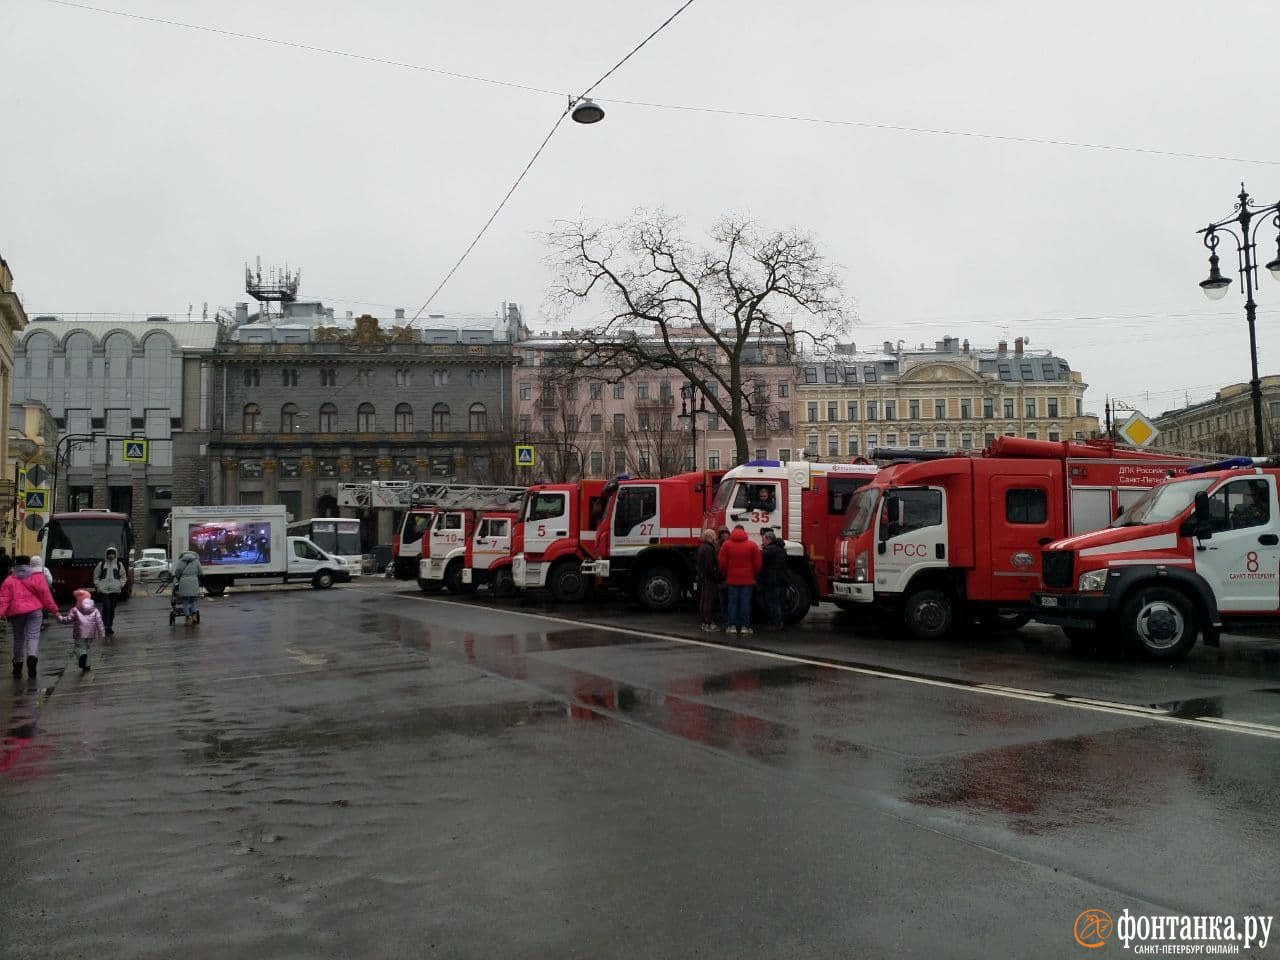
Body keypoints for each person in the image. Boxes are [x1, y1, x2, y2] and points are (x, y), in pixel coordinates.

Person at [0, 554, 60, 678]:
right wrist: (55, 611)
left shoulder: (9, 580)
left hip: (16, 612)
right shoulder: (37, 577)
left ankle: (18, 664)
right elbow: (46, 596)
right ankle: (32, 658)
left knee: (18, 638)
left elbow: (4, 599)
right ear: (28, 564)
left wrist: (1, 613)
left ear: (16, 565)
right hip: (34, 610)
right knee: (33, 636)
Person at [718, 524, 762, 637]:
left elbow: (722, 562)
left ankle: (731, 626)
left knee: (732, 603)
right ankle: (745, 627)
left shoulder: (726, 545)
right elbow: (758, 564)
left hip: (732, 579)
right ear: (744, 532)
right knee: (745, 603)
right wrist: (753, 574)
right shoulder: (752, 545)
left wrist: (727, 572)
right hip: (747, 580)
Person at [58, 589, 104, 672]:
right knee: (87, 647)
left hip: (79, 632)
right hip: (91, 633)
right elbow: (99, 622)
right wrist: (101, 633)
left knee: (79, 647)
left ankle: (82, 656)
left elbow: (67, 619)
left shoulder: (75, 610)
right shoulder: (95, 610)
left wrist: (60, 618)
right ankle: (86, 664)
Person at [93, 547, 126, 637]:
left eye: (113, 553)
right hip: (104, 590)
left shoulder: (119, 565)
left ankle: (109, 626)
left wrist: (120, 585)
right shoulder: (102, 564)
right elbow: (96, 576)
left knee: (112, 609)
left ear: (115, 554)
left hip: (115, 590)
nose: (111, 555)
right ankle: (105, 626)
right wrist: (98, 585)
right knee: (106, 607)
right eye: (109, 553)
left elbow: (123, 576)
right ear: (106, 554)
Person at [759, 530, 788, 631]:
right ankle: (779, 621)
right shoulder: (780, 548)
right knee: (778, 602)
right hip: (780, 579)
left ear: (768, 539)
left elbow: (760, 557)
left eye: (763, 540)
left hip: (772, 580)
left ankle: (776, 623)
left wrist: (760, 550)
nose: (763, 542)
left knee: (773, 602)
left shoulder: (771, 549)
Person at [695, 529, 721, 632]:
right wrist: (716, 576)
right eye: (714, 536)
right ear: (710, 537)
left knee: (703, 600)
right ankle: (708, 622)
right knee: (708, 601)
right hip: (709, 579)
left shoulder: (702, 547)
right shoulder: (709, 549)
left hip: (704, 578)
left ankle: (704, 621)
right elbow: (709, 566)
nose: (715, 538)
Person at [172, 549, 202, 624]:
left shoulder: (181, 561)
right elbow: (201, 572)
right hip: (194, 582)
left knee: (185, 601)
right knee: (193, 600)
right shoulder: (196, 561)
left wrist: (180, 579)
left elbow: (177, 572)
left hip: (184, 582)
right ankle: (194, 615)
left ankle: (188, 618)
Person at [716, 526, 731, 631]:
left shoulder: (717, 546)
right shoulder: (729, 545)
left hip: (725, 577)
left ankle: (727, 621)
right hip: (725, 577)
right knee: (727, 601)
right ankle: (728, 621)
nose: (725, 535)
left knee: (727, 601)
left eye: (726, 533)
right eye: (723, 533)